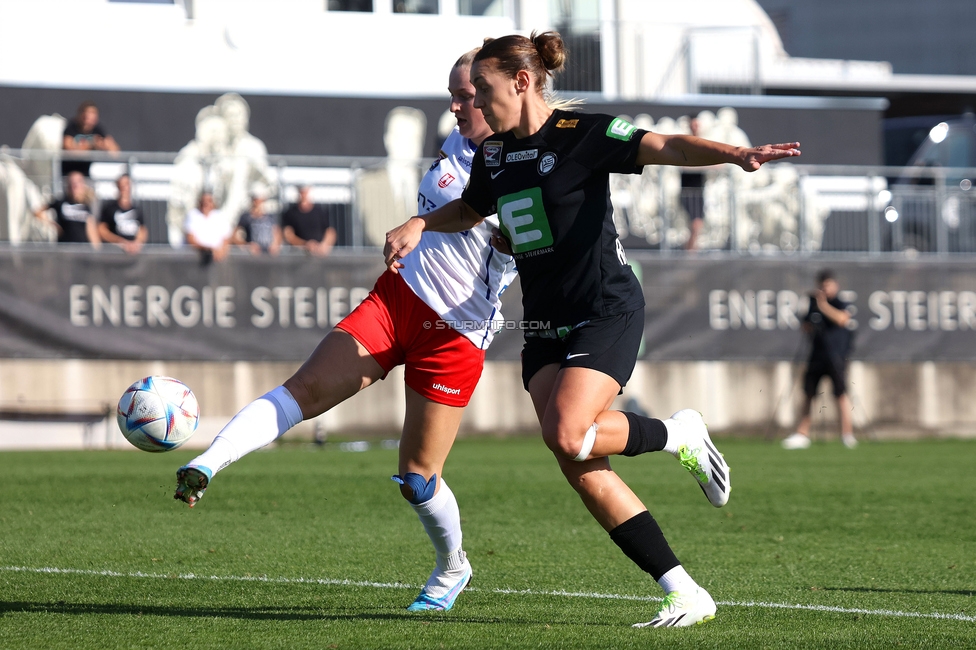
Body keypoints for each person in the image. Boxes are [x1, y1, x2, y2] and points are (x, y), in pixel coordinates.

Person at [384, 31, 800, 628]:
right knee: (575, 455)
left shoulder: (586, 136)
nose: (470, 102)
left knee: (569, 432)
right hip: (544, 322)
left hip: (604, 308)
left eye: (482, 89)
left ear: (522, 82)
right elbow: (473, 211)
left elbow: (670, 148)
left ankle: (675, 436)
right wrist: (421, 223)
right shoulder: (495, 154)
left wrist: (735, 154)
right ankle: (685, 591)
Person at [174, 49, 517, 613]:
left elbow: (535, 245)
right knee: (304, 389)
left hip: (456, 329)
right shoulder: (458, 141)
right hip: (398, 298)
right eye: (454, 94)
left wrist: (513, 247)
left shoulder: (523, 166)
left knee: (417, 479)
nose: (455, 106)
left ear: (498, 92)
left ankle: (453, 567)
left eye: (466, 96)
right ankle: (208, 462)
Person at [782, 270, 857, 450]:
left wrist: (823, 306)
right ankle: (802, 434)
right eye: (822, 286)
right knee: (808, 394)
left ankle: (847, 434)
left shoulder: (839, 302)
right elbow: (806, 326)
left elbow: (842, 319)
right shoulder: (813, 304)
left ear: (835, 286)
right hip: (816, 355)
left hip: (836, 356)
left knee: (840, 395)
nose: (824, 289)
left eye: (828, 285)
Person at [33, 170, 100, 246]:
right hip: (65, 246)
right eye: (72, 183)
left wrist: (96, 249)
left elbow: (91, 229)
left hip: (82, 248)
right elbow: (38, 212)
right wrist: (53, 224)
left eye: (78, 182)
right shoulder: (61, 202)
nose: (75, 186)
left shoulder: (86, 206)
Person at [62, 101, 120, 177]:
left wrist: (103, 145)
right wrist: (90, 144)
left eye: (92, 113)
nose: (88, 116)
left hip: (86, 174)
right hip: (68, 173)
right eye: (87, 113)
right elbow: (69, 149)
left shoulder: (98, 130)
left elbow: (115, 151)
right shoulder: (71, 128)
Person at [98, 174, 147, 254]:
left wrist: (136, 243)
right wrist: (120, 242)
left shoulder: (136, 209)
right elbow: (101, 230)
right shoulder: (109, 208)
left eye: (127, 184)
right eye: (122, 184)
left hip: (133, 253)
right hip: (114, 252)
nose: (124, 187)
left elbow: (142, 230)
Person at [282, 186, 338, 256]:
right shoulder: (290, 213)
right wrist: (305, 245)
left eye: (306, 191)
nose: (304, 194)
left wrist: (324, 245)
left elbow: (330, 232)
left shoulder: (320, 211)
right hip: (299, 254)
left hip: (319, 254)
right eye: (302, 192)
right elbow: (288, 234)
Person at [184, 191, 232, 262]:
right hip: (195, 259)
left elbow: (226, 238)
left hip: (216, 260)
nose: (206, 204)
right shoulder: (193, 215)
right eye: (203, 201)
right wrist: (208, 250)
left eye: (209, 201)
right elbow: (190, 238)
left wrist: (222, 251)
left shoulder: (220, 216)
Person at [234, 191, 282, 256]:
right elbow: (234, 235)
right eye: (257, 200)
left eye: (261, 200)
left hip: (269, 256)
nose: (259, 203)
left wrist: (276, 244)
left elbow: (277, 232)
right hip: (252, 257)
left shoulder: (271, 216)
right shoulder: (246, 217)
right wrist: (246, 245)